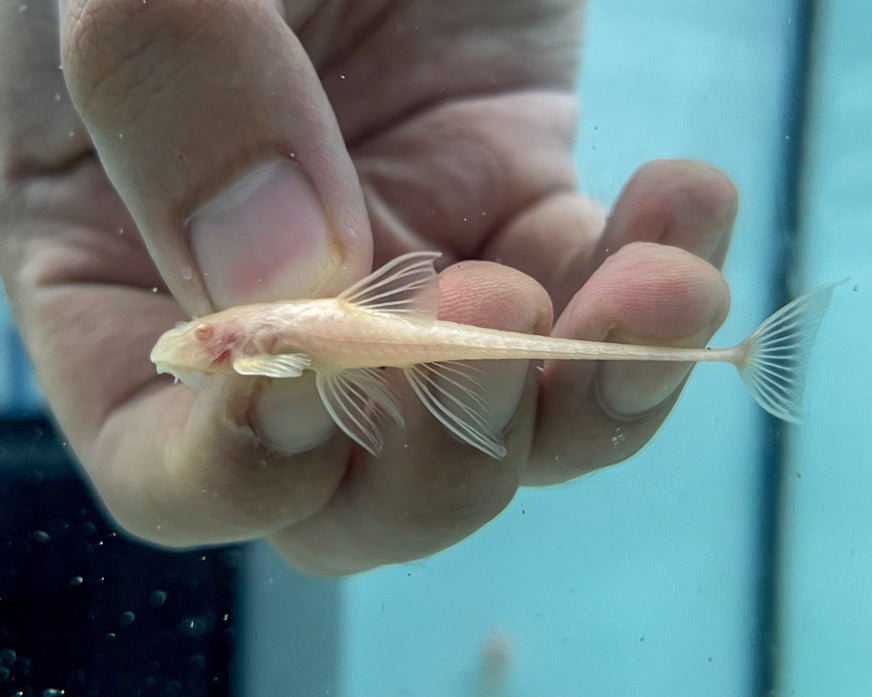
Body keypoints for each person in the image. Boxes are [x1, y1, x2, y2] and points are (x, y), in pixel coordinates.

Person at [0, 1, 736, 576]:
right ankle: (726, 357)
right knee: (501, 340)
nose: (187, 355)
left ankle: (726, 356)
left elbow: (281, 368)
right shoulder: (249, 351)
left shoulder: (251, 345)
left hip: (376, 322)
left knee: (498, 336)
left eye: (192, 348)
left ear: (219, 338)